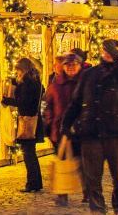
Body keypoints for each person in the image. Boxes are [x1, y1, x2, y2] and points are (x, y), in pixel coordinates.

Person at [62, 40, 118, 214]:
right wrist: (66, 124)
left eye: (112, 51)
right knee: (93, 179)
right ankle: (98, 210)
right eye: (106, 50)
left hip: (117, 133)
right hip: (92, 133)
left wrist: (116, 54)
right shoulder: (90, 74)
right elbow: (76, 101)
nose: (108, 53)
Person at [44, 52, 85, 207]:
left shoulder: (84, 83)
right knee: (61, 162)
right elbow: (48, 106)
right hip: (59, 130)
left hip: (81, 131)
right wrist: (49, 125)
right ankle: (62, 194)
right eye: (67, 65)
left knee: (83, 163)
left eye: (74, 65)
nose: (71, 68)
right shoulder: (56, 85)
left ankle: (88, 192)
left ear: (80, 66)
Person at [2, 57, 44, 193]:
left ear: (23, 70)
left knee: (28, 154)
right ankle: (36, 182)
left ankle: (32, 183)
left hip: (28, 121)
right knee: (31, 153)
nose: (17, 73)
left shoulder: (28, 84)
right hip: (33, 119)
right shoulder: (34, 81)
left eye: (18, 71)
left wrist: (8, 100)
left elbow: (23, 102)